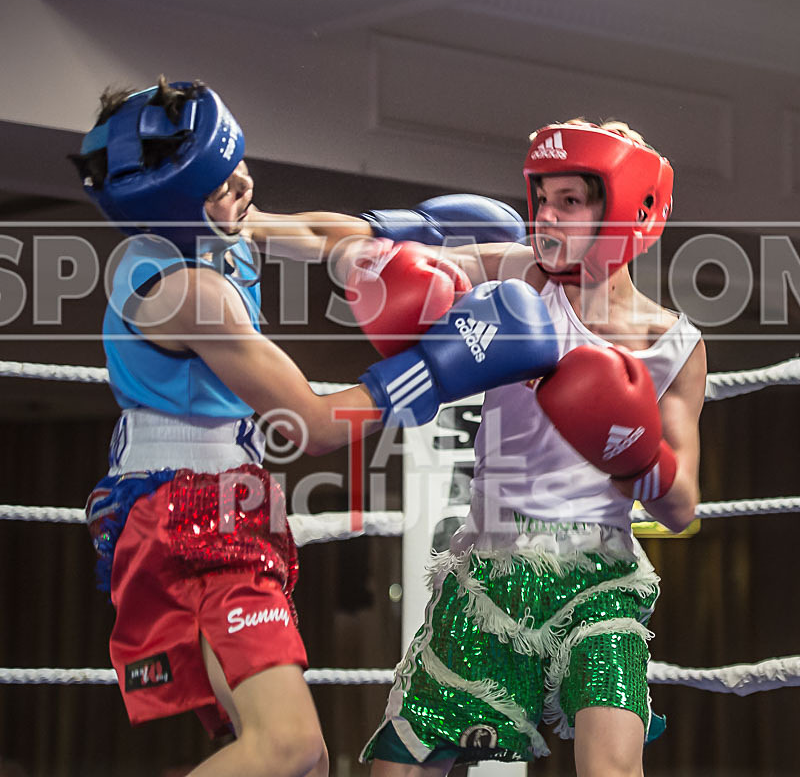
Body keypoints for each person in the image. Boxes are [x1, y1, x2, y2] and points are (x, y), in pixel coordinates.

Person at [72, 77, 560, 777]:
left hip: (200, 505)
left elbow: (308, 232)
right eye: (220, 183)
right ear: (175, 205)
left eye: (236, 162)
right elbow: (307, 423)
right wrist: (443, 367)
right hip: (188, 516)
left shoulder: (215, 230)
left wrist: (400, 236)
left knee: (293, 755)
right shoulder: (186, 292)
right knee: (291, 748)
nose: (241, 183)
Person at [314, 119, 706, 775]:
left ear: (626, 210)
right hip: (492, 561)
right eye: (541, 199)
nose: (546, 216)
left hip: (601, 573)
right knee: (400, 769)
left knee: (612, 766)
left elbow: (683, 505)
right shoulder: (519, 275)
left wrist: (637, 458)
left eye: (570, 201)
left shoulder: (675, 344)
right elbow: (372, 247)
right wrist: (255, 224)